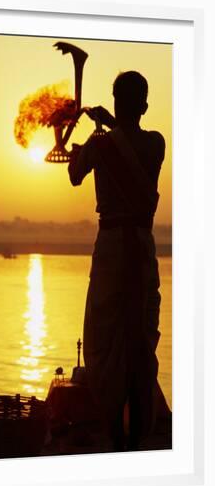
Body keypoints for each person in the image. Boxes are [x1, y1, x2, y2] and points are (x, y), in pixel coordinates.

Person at [68, 71, 165, 451]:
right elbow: (128, 143)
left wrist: (87, 144)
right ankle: (139, 438)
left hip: (111, 252)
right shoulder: (155, 143)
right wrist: (107, 127)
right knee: (139, 341)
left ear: (117, 102)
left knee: (106, 342)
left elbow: (75, 174)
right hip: (141, 250)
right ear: (143, 105)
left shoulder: (100, 144)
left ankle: (114, 434)